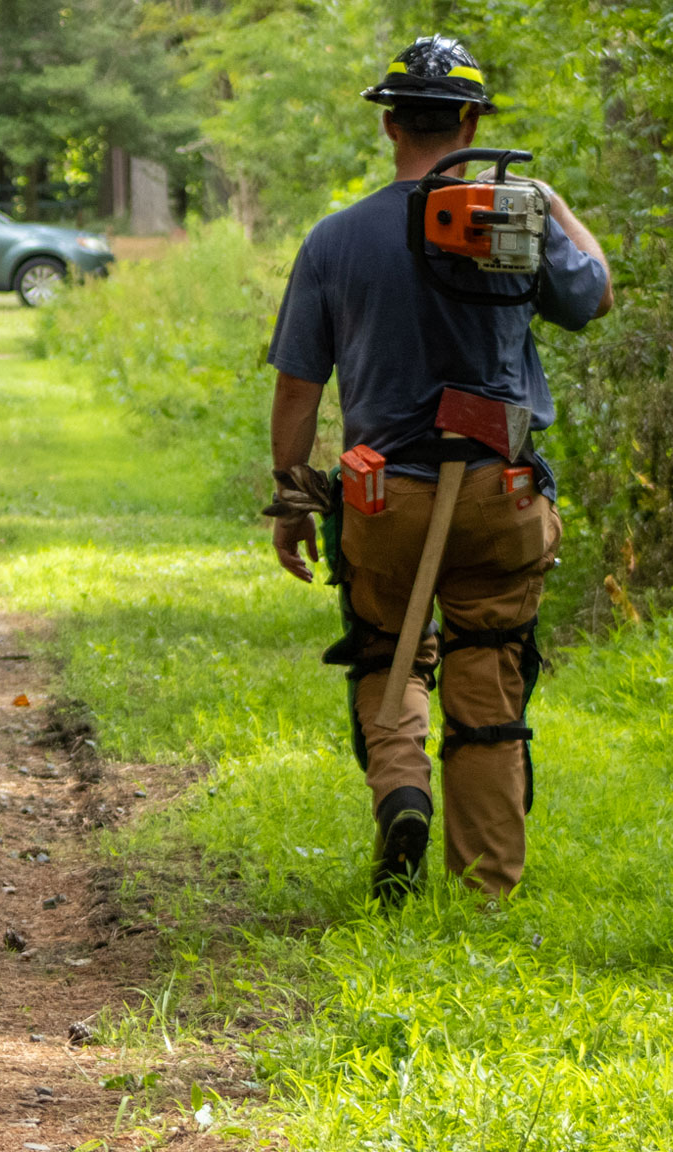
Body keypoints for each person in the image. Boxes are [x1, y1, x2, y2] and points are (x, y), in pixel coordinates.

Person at [267, 36, 612, 903]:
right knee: (487, 669)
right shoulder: (513, 222)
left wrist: (291, 500)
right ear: (468, 120)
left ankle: (402, 794)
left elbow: (299, 389)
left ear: (388, 123)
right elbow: (594, 295)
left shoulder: (333, 239)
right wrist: (552, 202)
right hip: (501, 492)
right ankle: (484, 888)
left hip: (387, 498)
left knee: (388, 654)